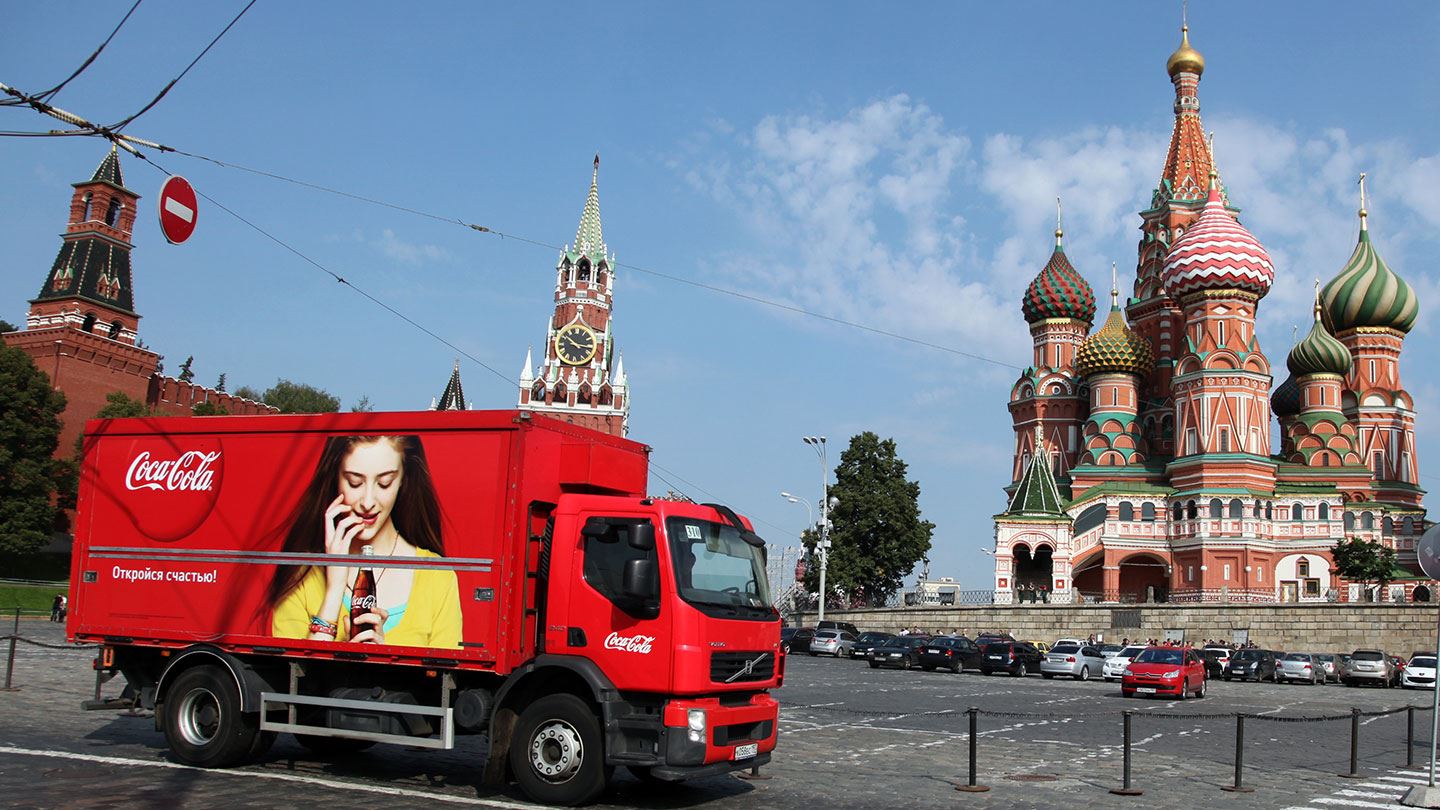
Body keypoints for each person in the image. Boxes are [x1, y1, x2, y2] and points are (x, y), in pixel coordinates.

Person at [265, 435, 462, 648]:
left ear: (404, 478)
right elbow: (288, 677)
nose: (368, 502)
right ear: (335, 478)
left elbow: (446, 679)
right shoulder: (300, 574)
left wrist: (383, 660)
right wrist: (334, 588)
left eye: (385, 483)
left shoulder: (437, 576)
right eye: (354, 482)